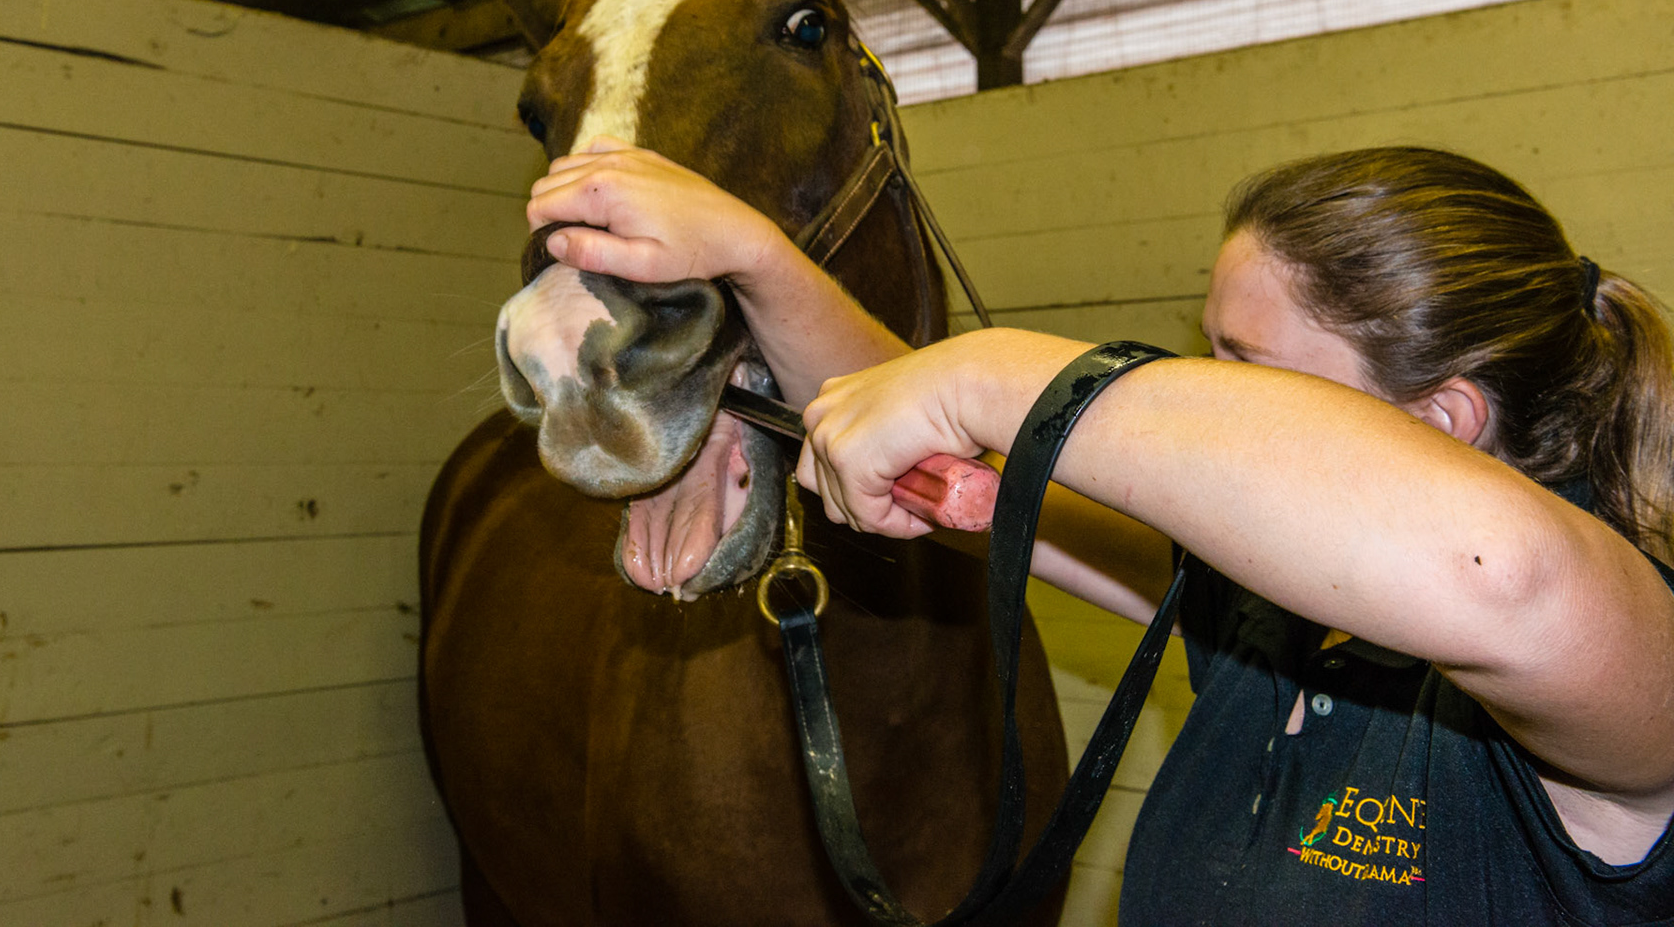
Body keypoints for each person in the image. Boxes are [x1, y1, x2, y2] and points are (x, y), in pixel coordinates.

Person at [528, 137, 1674, 923]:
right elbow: (922, 436)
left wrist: (996, 371)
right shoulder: (1251, 598)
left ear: (1444, 424)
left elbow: (1499, 574)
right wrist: (759, 261)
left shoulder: (1621, 647)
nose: (1206, 392)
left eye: (1245, 370)